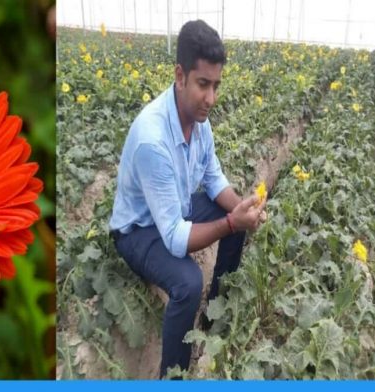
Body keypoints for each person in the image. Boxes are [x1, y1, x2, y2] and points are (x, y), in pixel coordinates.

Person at [108, 20, 266, 378]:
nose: (211, 98)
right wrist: (229, 222)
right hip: (138, 230)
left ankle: (215, 313)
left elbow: (213, 180)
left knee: (234, 214)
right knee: (188, 283)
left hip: (176, 205)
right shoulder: (153, 139)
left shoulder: (200, 123)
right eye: (202, 84)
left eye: (216, 86)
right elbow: (176, 239)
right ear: (180, 76)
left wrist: (243, 208)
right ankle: (173, 374)